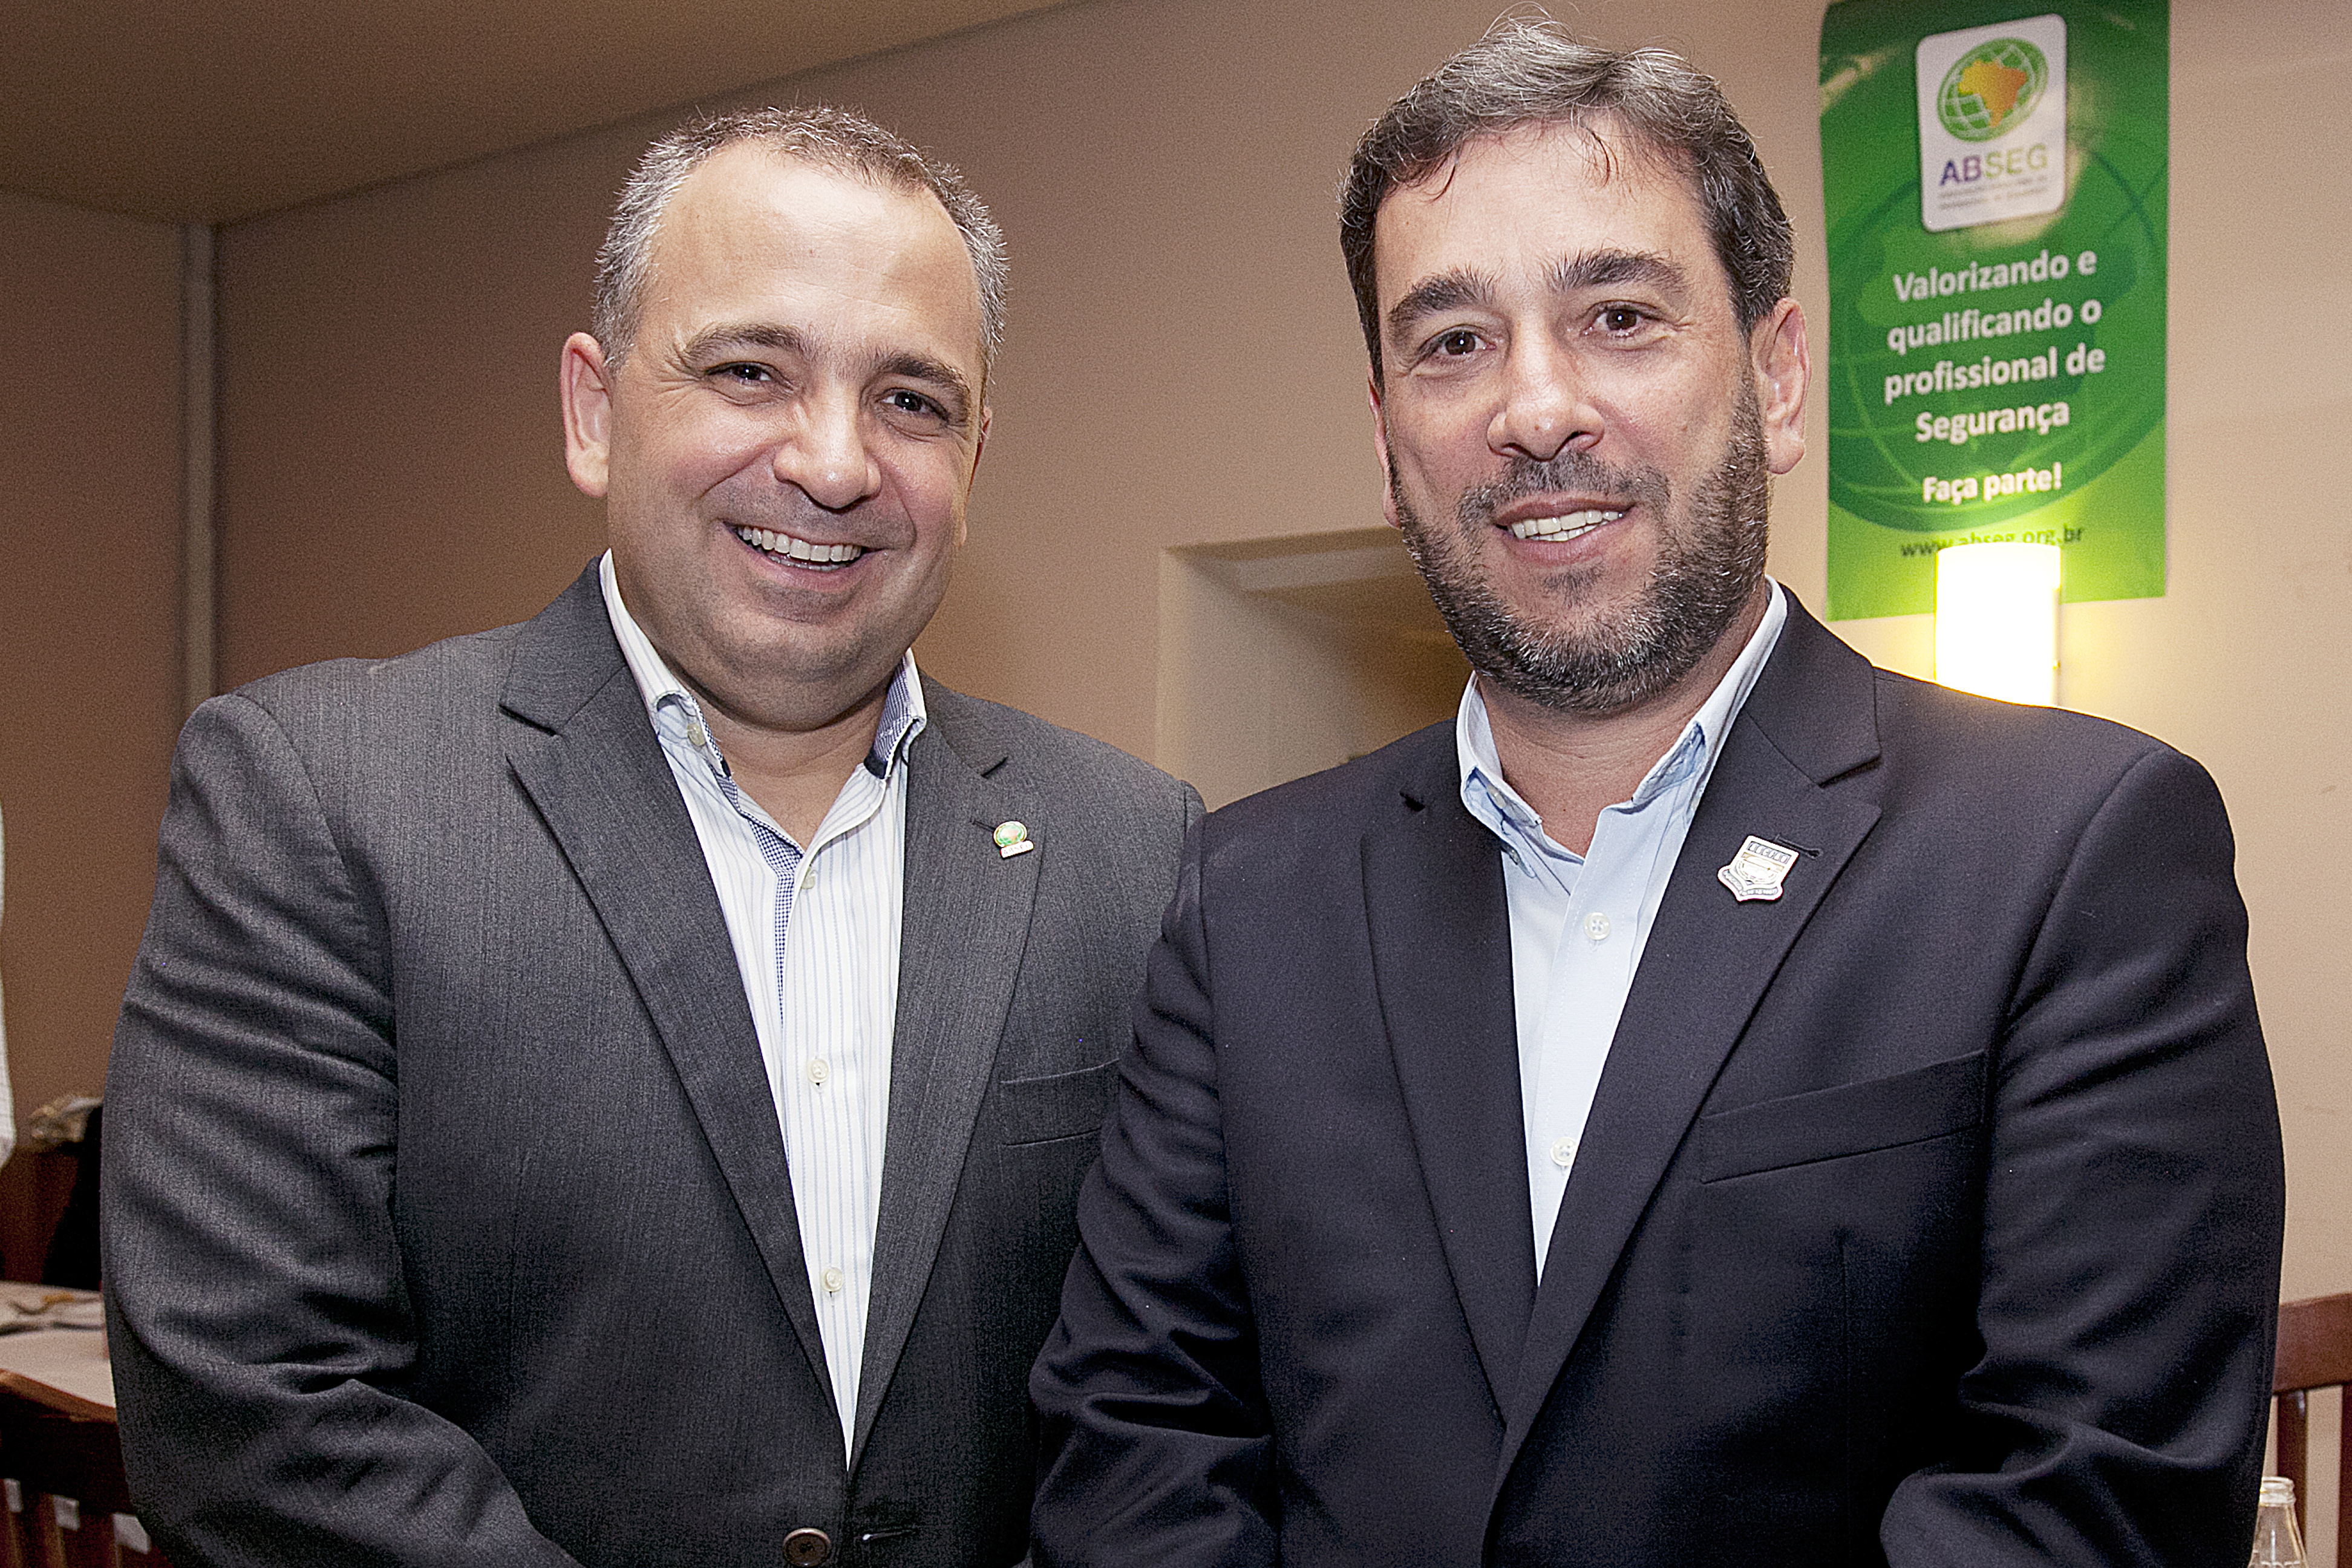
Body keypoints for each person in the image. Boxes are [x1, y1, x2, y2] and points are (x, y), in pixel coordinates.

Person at [1030, 22, 2282, 1567]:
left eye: (1618, 316)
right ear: (1387, 439)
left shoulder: (2073, 853)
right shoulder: (1248, 898)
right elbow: (1139, 1446)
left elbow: (2095, 1504)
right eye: (1453, 343)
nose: (1536, 408)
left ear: (1777, 376)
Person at [103, 105, 1197, 1567]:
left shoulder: (1135, 849)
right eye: (751, 371)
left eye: (911, 401)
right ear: (594, 409)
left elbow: (1174, 1396)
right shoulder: (319, 795)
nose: (833, 461)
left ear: (975, 458)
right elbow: (254, 1417)